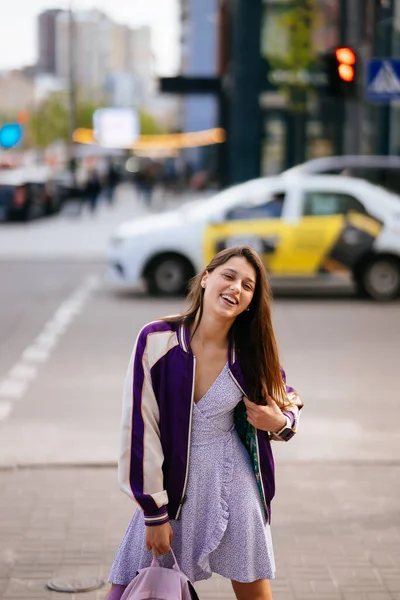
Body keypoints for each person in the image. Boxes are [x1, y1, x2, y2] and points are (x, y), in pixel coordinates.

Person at [106, 246, 303, 600]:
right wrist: (153, 512)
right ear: (207, 278)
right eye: (229, 276)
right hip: (172, 489)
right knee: (127, 589)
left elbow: (288, 399)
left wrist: (279, 420)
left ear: (250, 302)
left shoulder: (250, 352)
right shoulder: (157, 339)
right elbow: (139, 427)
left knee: (254, 591)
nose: (236, 288)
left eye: (248, 285)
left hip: (232, 481)